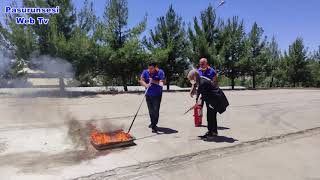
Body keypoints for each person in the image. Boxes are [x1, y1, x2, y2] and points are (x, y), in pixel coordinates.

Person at [188, 69, 219, 138]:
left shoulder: (202, 82)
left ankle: (213, 132)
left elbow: (201, 96)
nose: (191, 81)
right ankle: (211, 131)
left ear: (195, 77)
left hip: (213, 99)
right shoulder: (200, 80)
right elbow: (199, 95)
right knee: (209, 115)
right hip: (210, 98)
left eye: (191, 79)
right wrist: (196, 104)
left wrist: (196, 104)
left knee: (211, 115)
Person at [139, 63, 165, 133]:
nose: (149, 70)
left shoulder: (160, 72)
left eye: (151, 69)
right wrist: (146, 85)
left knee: (156, 110)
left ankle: (154, 125)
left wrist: (153, 81)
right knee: (151, 111)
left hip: (157, 95)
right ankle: (153, 123)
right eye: (149, 68)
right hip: (148, 94)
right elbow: (141, 80)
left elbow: (162, 83)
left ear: (155, 68)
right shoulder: (145, 72)